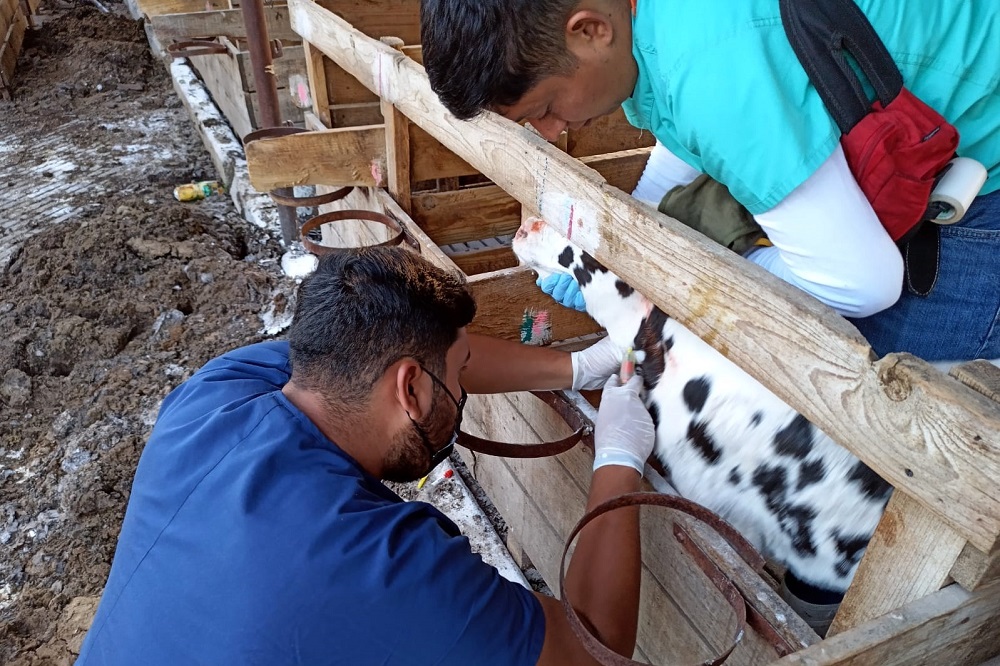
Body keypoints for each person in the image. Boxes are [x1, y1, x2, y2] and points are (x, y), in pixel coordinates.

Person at [76, 247, 655, 665]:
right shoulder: (386, 566)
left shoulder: (217, 392)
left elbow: (411, 349)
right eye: (458, 378)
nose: (462, 390)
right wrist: (617, 458)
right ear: (410, 390)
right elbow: (595, 650)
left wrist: (575, 367)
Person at [420, 0, 1000, 363]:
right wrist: (631, 234)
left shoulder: (707, 71)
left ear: (591, 30)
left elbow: (864, 284)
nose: (551, 132)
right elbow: (685, 126)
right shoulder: (655, 23)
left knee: (840, 365)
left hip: (981, 176)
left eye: (545, 109)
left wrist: (682, 275)